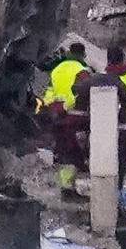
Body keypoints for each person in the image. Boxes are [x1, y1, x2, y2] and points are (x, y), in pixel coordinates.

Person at [37, 43, 91, 195]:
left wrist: (52, 108)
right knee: (74, 152)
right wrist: (66, 106)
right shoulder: (82, 71)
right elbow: (82, 94)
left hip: (57, 118)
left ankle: (65, 187)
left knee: (63, 152)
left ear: (69, 53)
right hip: (75, 118)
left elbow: (49, 93)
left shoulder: (57, 69)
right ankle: (69, 188)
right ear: (83, 55)